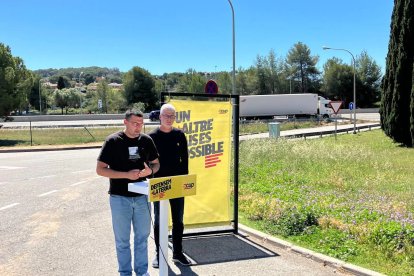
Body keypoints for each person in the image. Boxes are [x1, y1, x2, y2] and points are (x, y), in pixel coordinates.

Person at [96, 109, 160, 276]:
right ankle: (125, 273)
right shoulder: (113, 141)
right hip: (119, 198)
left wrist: (150, 172)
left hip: (142, 198)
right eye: (134, 123)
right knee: (122, 241)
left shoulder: (147, 140)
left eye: (141, 124)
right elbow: (100, 170)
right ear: (125, 122)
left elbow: (156, 164)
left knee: (142, 238)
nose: (138, 127)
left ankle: (142, 272)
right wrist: (126, 175)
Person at [149, 103, 191, 268]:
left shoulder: (180, 135)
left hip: (177, 183)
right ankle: (159, 254)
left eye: (172, 116)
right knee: (159, 221)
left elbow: (185, 160)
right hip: (159, 184)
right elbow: (148, 163)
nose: (169, 119)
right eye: (166, 115)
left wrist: (184, 181)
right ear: (159, 117)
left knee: (178, 220)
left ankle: (178, 253)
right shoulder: (152, 137)